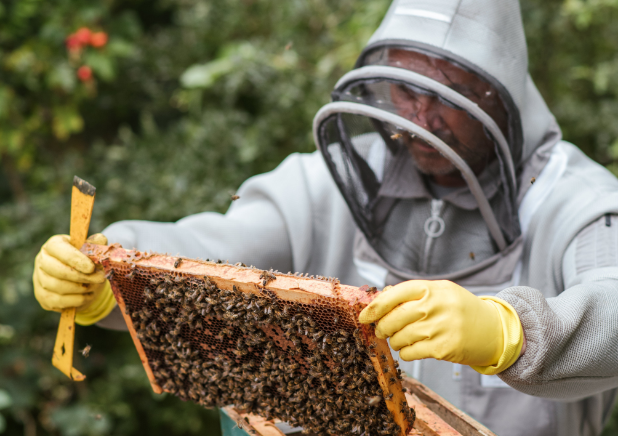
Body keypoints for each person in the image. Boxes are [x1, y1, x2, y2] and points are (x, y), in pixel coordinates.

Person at [32, 0, 618, 434]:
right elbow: (215, 245)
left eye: (448, 94)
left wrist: (509, 332)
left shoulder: (575, 198)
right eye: (408, 89)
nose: (422, 116)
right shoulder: (329, 181)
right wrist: (109, 275)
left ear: (498, 95)